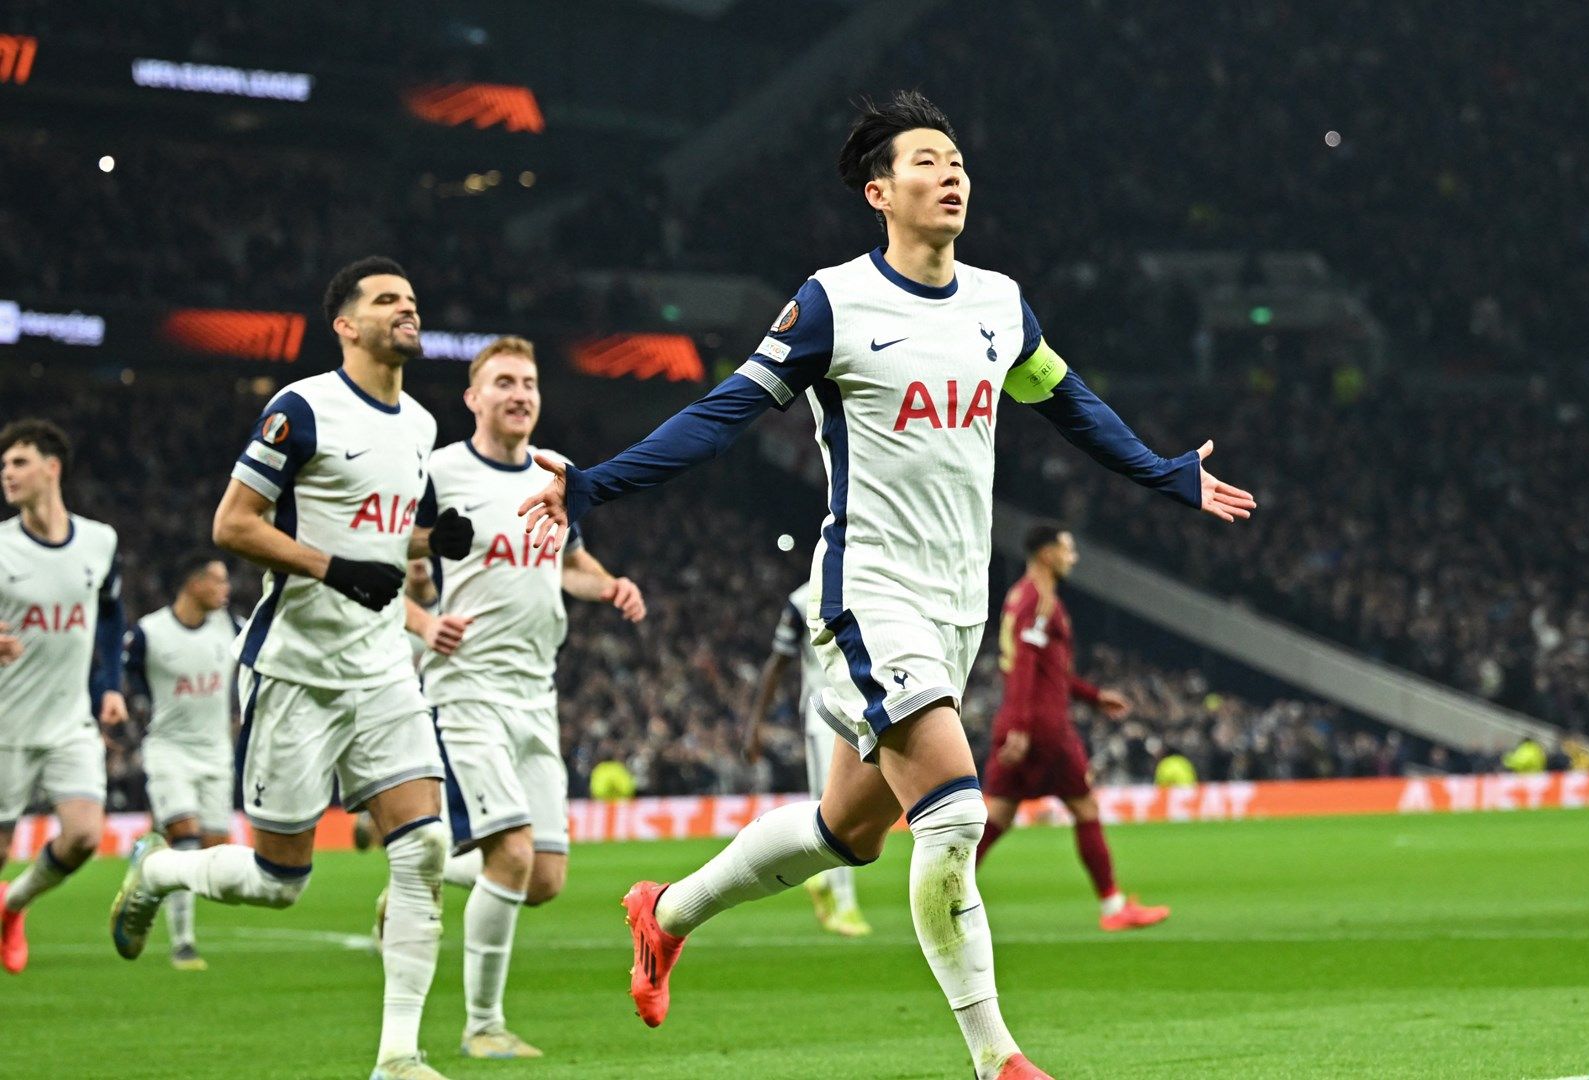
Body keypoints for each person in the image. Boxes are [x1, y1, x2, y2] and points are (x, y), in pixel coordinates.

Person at [516, 91, 1255, 1080]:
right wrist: (596, 486)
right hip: (871, 591)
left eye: (957, 159)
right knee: (951, 812)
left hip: (956, 606)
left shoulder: (1000, 304)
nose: (951, 173)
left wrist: (1164, 472)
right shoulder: (834, 303)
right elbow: (725, 411)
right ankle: (997, 1059)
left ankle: (666, 912)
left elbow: (1069, 403)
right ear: (880, 191)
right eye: (926, 161)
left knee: (846, 832)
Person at [109, 256, 475, 1080]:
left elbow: (377, 532)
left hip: (381, 668)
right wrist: (332, 568)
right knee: (281, 882)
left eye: (413, 299)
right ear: (345, 324)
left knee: (421, 852)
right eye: (387, 300)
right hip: (296, 670)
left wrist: (426, 542)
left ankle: (399, 1057)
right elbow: (233, 524)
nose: (406, 309)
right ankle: (162, 869)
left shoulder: (419, 423)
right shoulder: (302, 408)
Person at [403, 335, 647, 1059]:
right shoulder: (440, 471)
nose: (519, 393)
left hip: (536, 693)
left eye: (529, 382)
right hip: (466, 687)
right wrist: (420, 619)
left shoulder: (556, 472)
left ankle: (419, 872)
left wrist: (607, 584)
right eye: (503, 381)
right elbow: (383, 555)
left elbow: (568, 559)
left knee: (543, 878)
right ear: (473, 397)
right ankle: (483, 1027)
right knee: (509, 855)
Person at [975, 523, 1167, 931]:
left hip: (1022, 718)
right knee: (1085, 807)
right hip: (1043, 725)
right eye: (1067, 549)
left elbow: (1048, 670)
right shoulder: (1039, 601)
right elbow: (1026, 662)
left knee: (1000, 815)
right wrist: (1025, 727)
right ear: (1046, 553)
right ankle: (1114, 908)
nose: (1072, 557)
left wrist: (1095, 697)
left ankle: (944, 887)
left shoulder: (1021, 597)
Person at [0, 418, 126, 975]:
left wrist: (111, 687)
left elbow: (112, 610)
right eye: (4, 465)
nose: (7, 472)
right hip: (6, 725)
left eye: (19, 462)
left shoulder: (100, 541)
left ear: (52, 469)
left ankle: (12, 905)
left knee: (82, 837)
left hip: (70, 722)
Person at [123, 551, 239, 970]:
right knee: (186, 840)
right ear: (194, 583)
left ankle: (148, 857)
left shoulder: (231, 628)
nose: (226, 589)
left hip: (215, 753)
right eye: (218, 580)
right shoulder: (149, 633)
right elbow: (130, 677)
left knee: (213, 850)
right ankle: (184, 944)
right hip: (169, 749)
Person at [741, 582, 872, 937]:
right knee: (837, 807)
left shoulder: (868, 582)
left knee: (849, 806)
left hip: (867, 710)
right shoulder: (801, 601)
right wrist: (755, 724)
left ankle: (824, 879)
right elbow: (778, 661)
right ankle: (842, 901)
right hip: (826, 714)